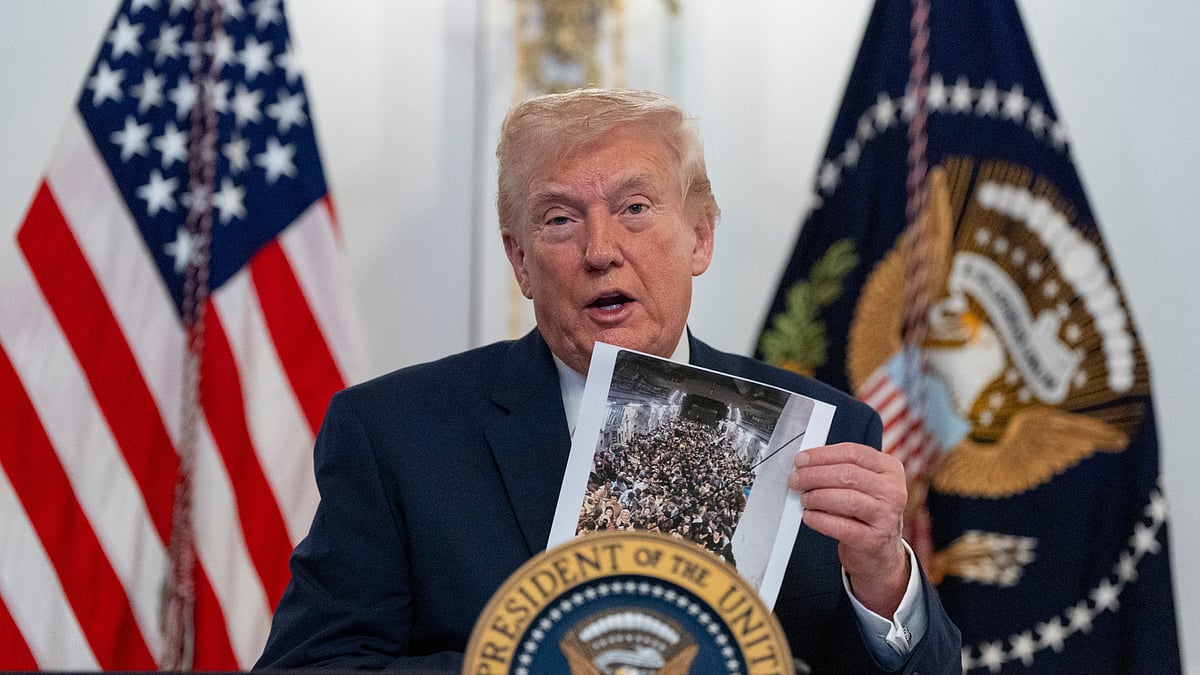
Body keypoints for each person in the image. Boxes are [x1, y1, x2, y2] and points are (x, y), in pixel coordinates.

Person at [256, 89, 960, 672]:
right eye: (560, 219)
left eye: (635, 209)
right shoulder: (396, 435)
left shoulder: (826, 432)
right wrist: (529, 655)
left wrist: (884, 582)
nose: (600, 250)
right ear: (522, 261)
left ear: (700, 237)